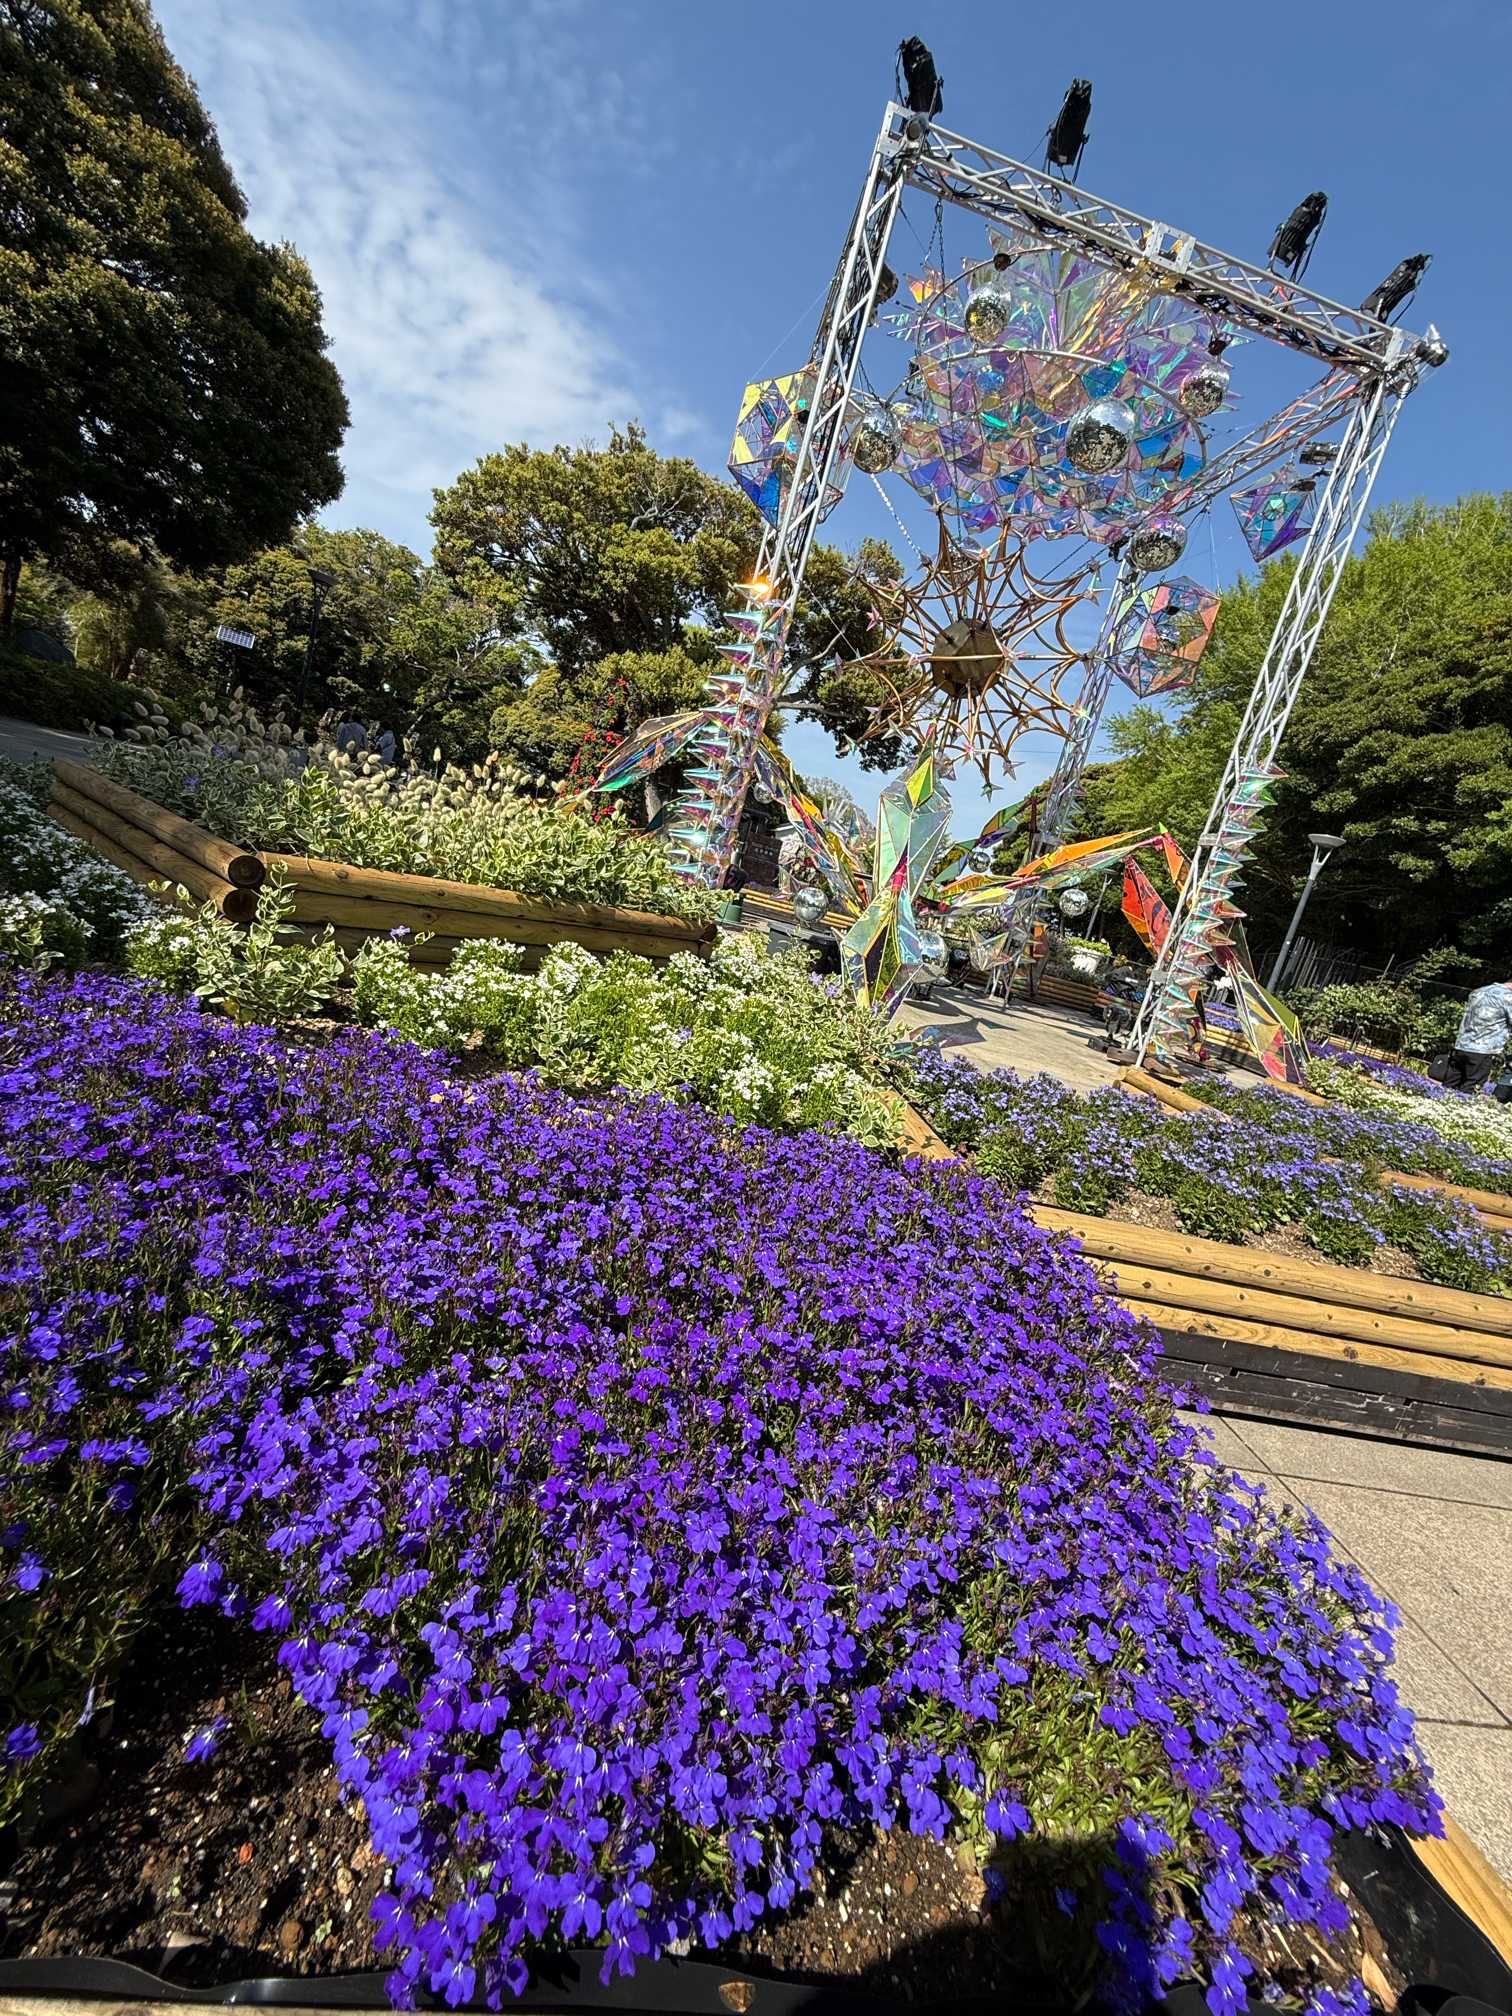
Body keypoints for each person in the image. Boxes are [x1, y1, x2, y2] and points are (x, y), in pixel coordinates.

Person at [1441, 980, 1512, 1092]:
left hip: (1461, 1046)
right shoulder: (1509, 998)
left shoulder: (1479, 991)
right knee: (1469, 1091)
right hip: (1483, 1050)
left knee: (1447, 1088)